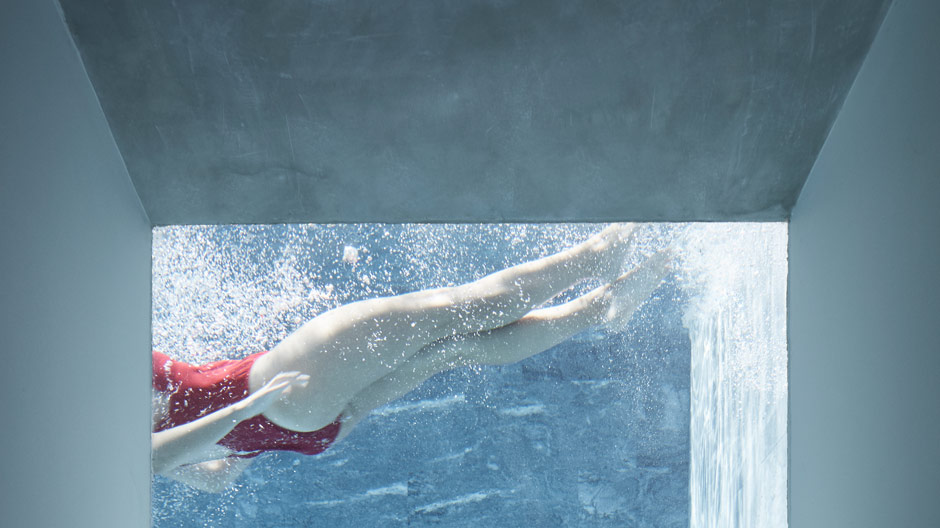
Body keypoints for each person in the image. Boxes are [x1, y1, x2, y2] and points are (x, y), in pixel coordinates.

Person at [152, 224, 672, 492]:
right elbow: (155, 452)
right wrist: (244, 409)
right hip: (280, 392)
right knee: (455, 310)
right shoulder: (108, 396)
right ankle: (596, 258)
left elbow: (213, 476)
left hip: (306, 429)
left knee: (454, 347)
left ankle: (601, 307)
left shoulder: (111, 439)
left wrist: (246, 431)